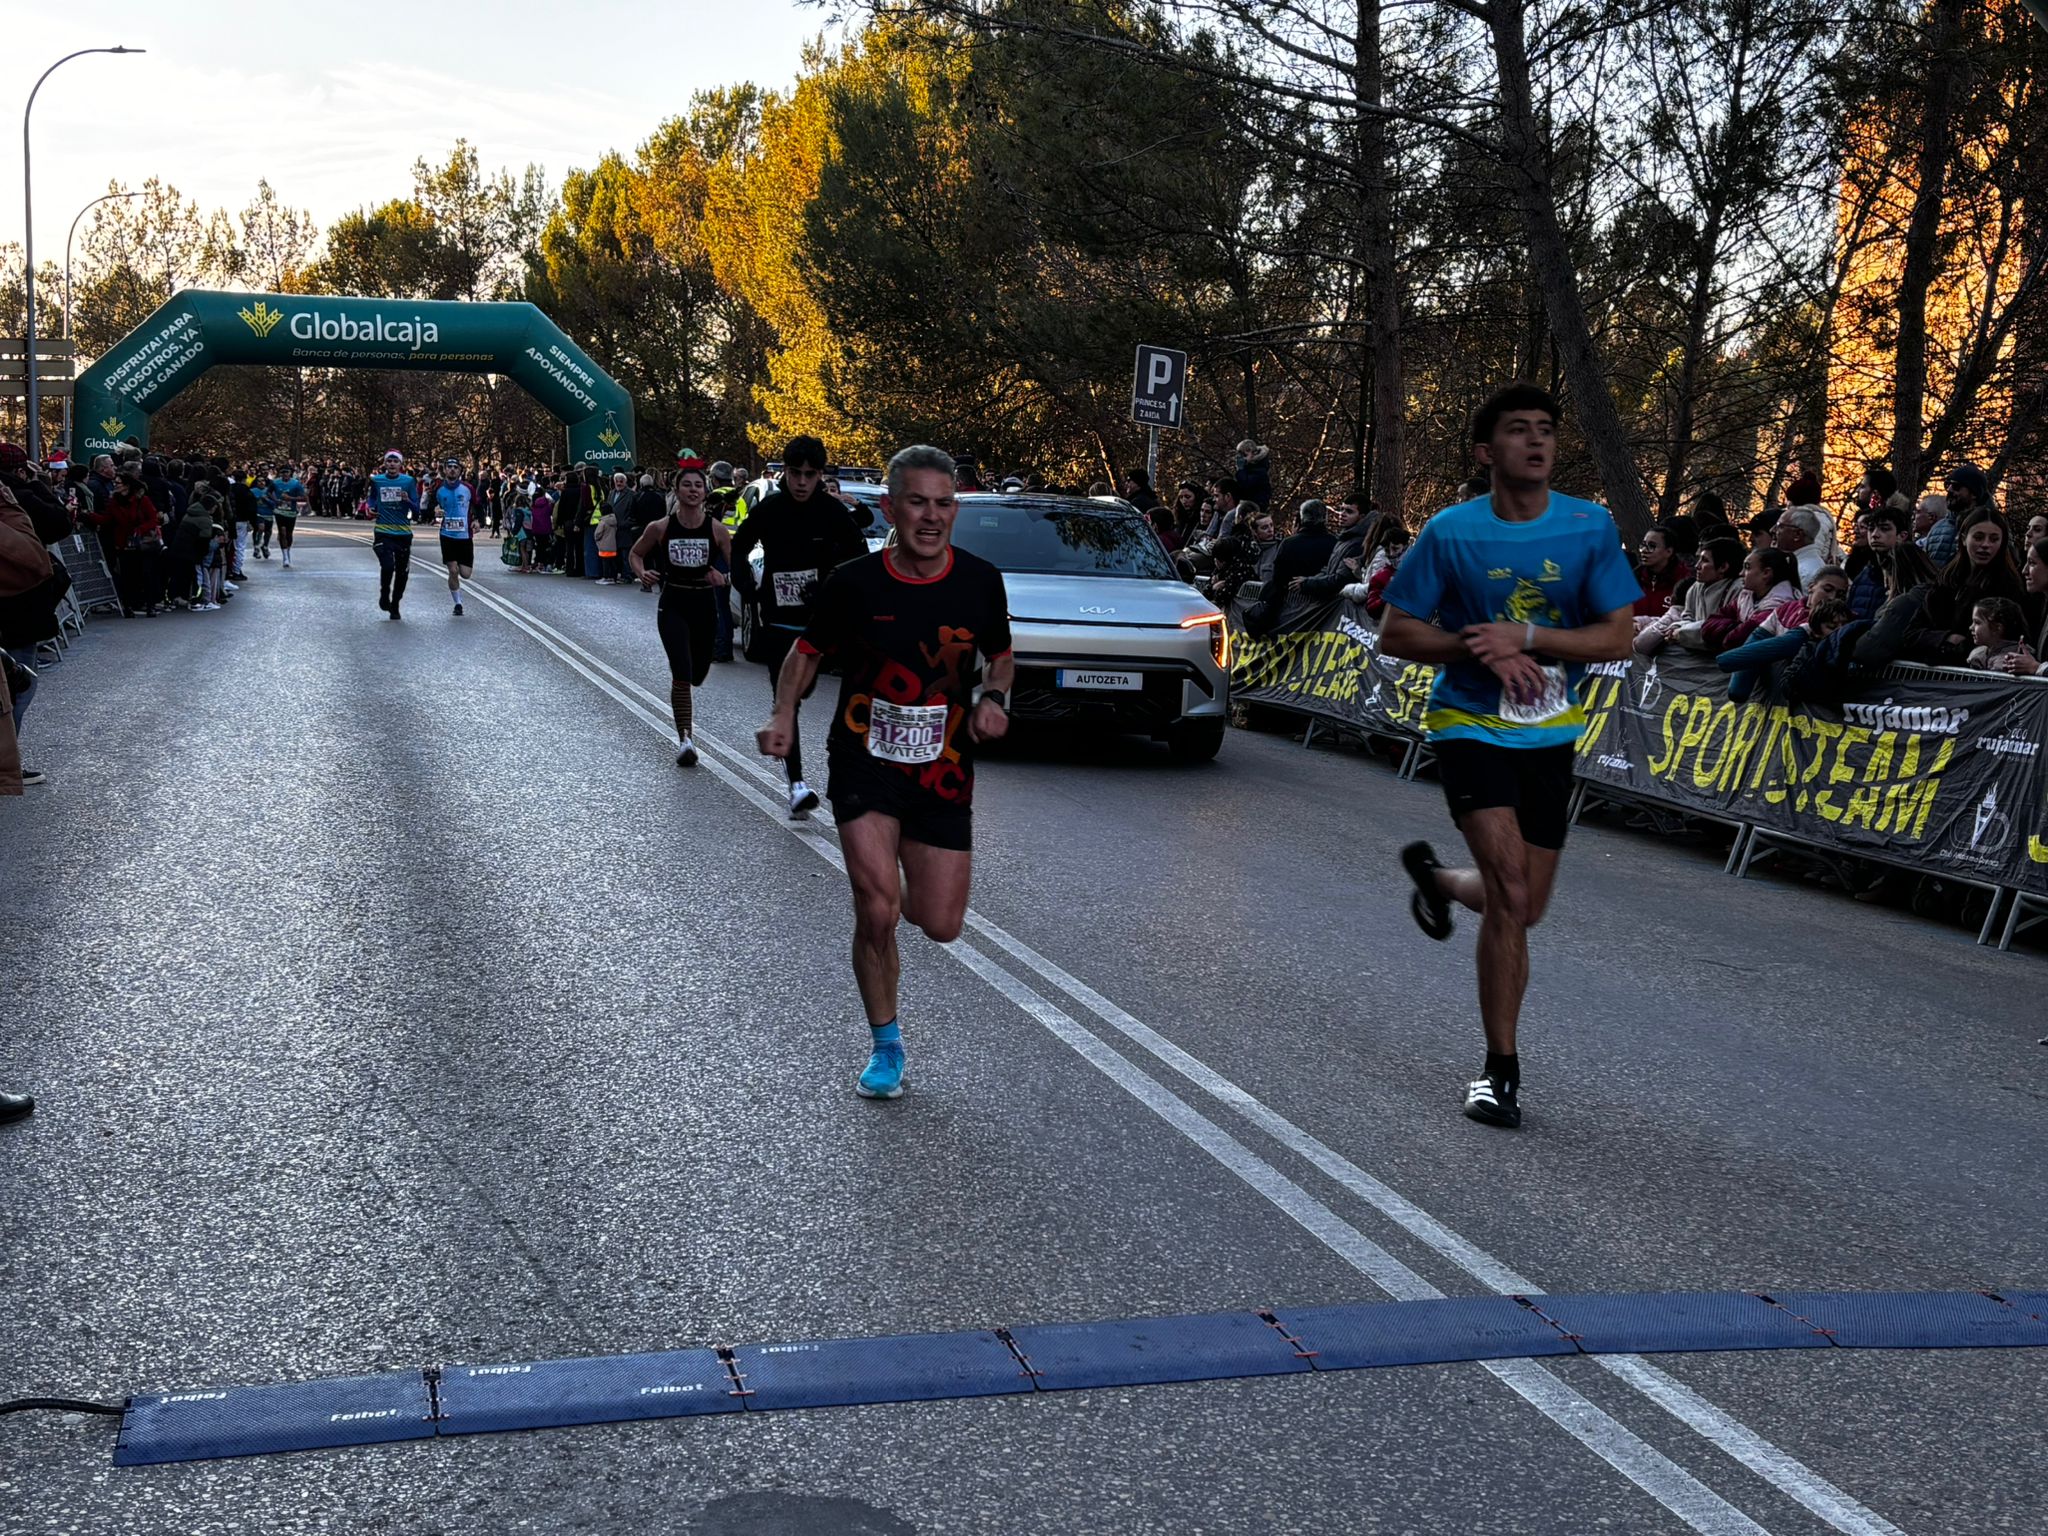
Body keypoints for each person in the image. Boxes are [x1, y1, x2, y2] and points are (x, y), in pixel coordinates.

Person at [1380, 383, 1638, 1130]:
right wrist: (1477, 647)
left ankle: (1436, 879)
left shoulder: (1589, 527)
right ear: (1485, 452)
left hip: (1550, 732)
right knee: (1509, 886)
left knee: (1524, 906)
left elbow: (1617, 637)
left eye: (1546, 429)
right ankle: (1500, 1073)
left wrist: (1524, 636)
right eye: (1519, 429)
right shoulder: (1451, 532)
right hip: (1468, 723)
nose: (1536, 441)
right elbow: (1398, 632)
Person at [756, 444, 1013, 1099]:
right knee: (877, 909)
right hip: (864, 761)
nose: (932, 516)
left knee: (941, 922)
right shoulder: (855, 583)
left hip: (943, 771)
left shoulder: (981, 581)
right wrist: (784, 713)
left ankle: (901, 879)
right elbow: (805, 653)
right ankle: (886, 1045)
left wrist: (995, 698)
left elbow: (1001, 655)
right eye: (917, 502)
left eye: (944, 503)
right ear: (891, 508)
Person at [731, 435, 867, 818]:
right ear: (785, 473)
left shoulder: (831, 511)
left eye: (810, 474)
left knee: (819, 694)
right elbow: (740, 545)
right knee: (786, 700)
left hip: (823, 623)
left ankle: (852, 773)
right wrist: (746, 585)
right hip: (779, 620)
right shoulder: (770, 509)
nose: (802, 482)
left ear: (820, 475)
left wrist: (833, 588)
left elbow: (858, 555)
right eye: (795, 473)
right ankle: (797, 785)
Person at [630, 455, 731, 765]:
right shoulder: (661, 527)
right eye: (687, 485)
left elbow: (737, 568)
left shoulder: (717, 530)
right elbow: (635, 554)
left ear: (705, 491)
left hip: (704, 605)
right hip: (673, 603)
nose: (693, 490)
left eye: (698, 485)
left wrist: (724, 577)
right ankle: (685, 739)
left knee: (698, 673)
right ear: (676, 490)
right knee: (682, 671)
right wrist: (642, 573)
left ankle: (686, 728)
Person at [1638, 534, 1742, 654]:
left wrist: (1682, 632)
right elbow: (1687, 617)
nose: (1697, 566)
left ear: (1723, 567)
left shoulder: (1738, 590)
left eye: (1705, 561)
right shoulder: (1696, 587)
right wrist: (1677, 627)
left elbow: (1726, 629)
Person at [368, 449, 419, 619]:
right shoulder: (377, 480)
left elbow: (417, 510)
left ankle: (395, 603)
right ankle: (384, 593)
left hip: (403, 532)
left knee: (402, 572)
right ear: (385, 463)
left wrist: (407, 500)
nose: (392, 464)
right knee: (388, 566)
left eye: (395, 461)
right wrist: (370, 508)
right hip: (383, 530)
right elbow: (372, 499)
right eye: (389, 461)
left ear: (400, 464)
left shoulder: (408, 481)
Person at [431, 457, 475, 616]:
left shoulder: (468, 488)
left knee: (465, 574)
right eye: (449, 467)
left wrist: (477, 520)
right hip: (447, 535)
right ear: (444, 470)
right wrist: (434, 511)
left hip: (465, 536)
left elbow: (477, 506)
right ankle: (458, 604)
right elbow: (430, 506)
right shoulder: (438, 489)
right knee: (453, 570)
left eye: (455, 467)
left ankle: (458, 598)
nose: (452, 469)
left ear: (460, 471)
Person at [1920, 466, 1989, 566]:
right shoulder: (1937, 529)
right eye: (1947, 485)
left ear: (1974, 494)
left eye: (1956, 486)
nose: (1949, 489)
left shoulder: (1990, 528)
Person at [1632, 525, 1693, 616]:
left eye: (1652, 546)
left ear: (1668, 552)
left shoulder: (1685, 582)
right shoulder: (1632, 579)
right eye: (1643, 545)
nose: (1644, 550)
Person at [1966, 596, 2029, 670]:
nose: (1970, 627)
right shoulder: (1979, 654)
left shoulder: (2010, 661)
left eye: (1977, 622)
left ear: (1997, 628)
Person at [272, 463, 307, 568]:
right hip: (279, 511)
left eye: (286, 472)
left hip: (291, 512)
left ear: (290, 473)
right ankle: (285, 557)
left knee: (289, 534)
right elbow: (268, 492)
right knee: (282, 532)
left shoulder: (296, 483)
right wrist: (275, 500)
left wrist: (290, 499)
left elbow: (303, 497)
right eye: (282, 472)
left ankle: (288, 551)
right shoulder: (275, 482)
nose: (285, 474)